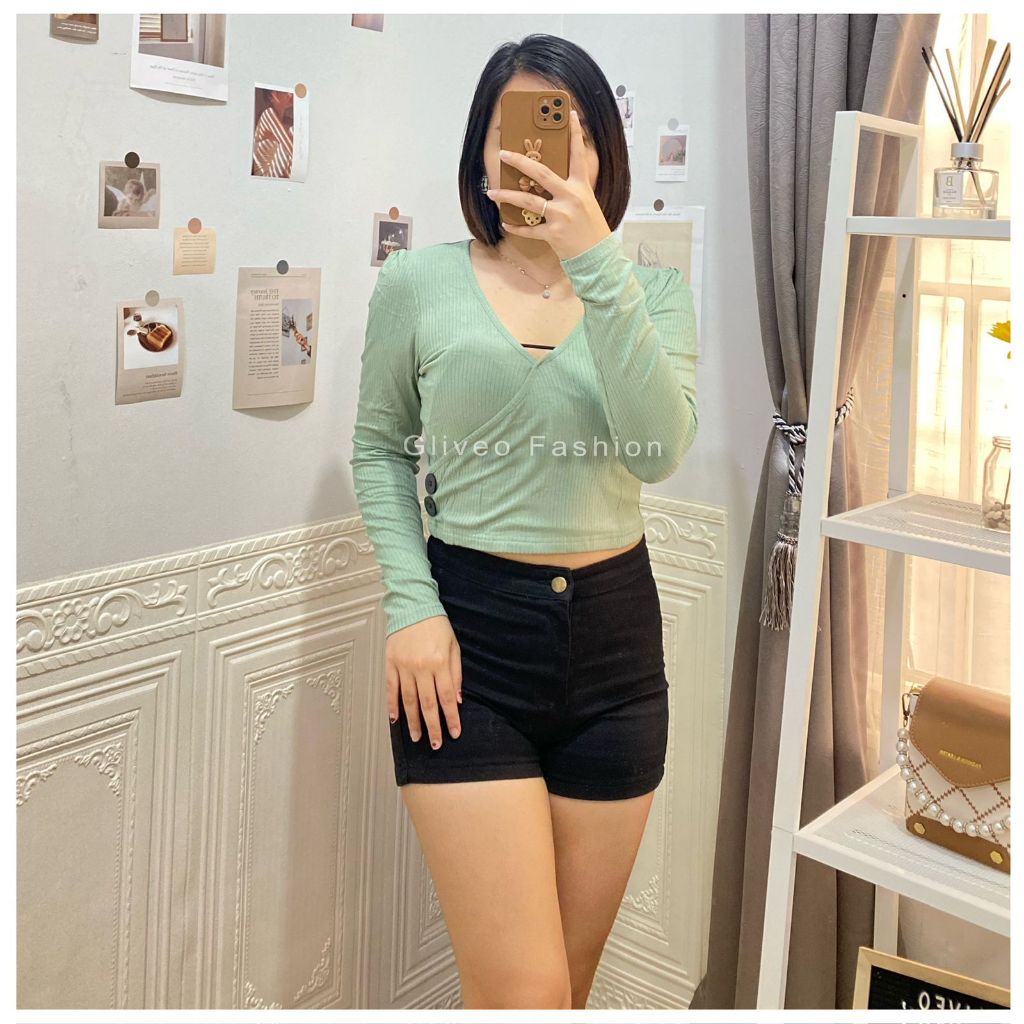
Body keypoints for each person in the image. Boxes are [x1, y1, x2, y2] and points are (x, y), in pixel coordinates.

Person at [350, 33, 698, 1010]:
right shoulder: (417, 283)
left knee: (565, 992)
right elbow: (378, 450)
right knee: (525, 992)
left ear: (600, 150)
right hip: (469, 646)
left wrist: (594, 260)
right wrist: (411, 604)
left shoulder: (654, 293)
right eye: (518, 128)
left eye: (564, 127)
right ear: (480, 151)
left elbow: (657, 451)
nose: (538, 154)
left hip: (617, 652)